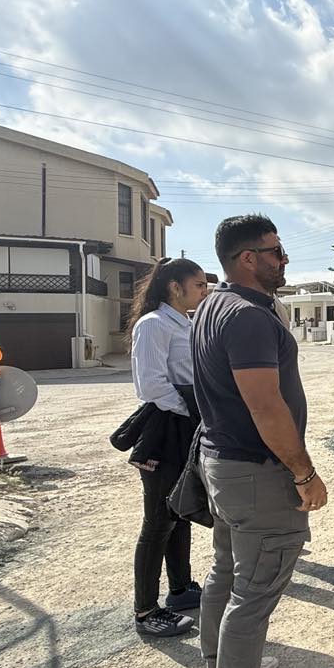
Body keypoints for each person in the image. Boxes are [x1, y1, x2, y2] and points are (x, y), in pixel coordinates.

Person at [192, 215, 327, 668]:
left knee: (227, 570)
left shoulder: (213, 305)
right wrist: (303, 471)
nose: (284, 259)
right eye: (276, 251)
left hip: (224, 463)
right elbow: (265, 405)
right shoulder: (247, 317)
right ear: (248, 258)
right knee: (254, 592)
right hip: (256, 472)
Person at [126, 258, 209, 637]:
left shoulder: (186, 323)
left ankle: (180, 588)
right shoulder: (153, 325)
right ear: (175, 287)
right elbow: (151, 386)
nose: (204, 290)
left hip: (187, 424)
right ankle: (146, 611)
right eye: (199, 285)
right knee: (158, 521)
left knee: (181, 509)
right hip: (168, 426)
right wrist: (190, 410)